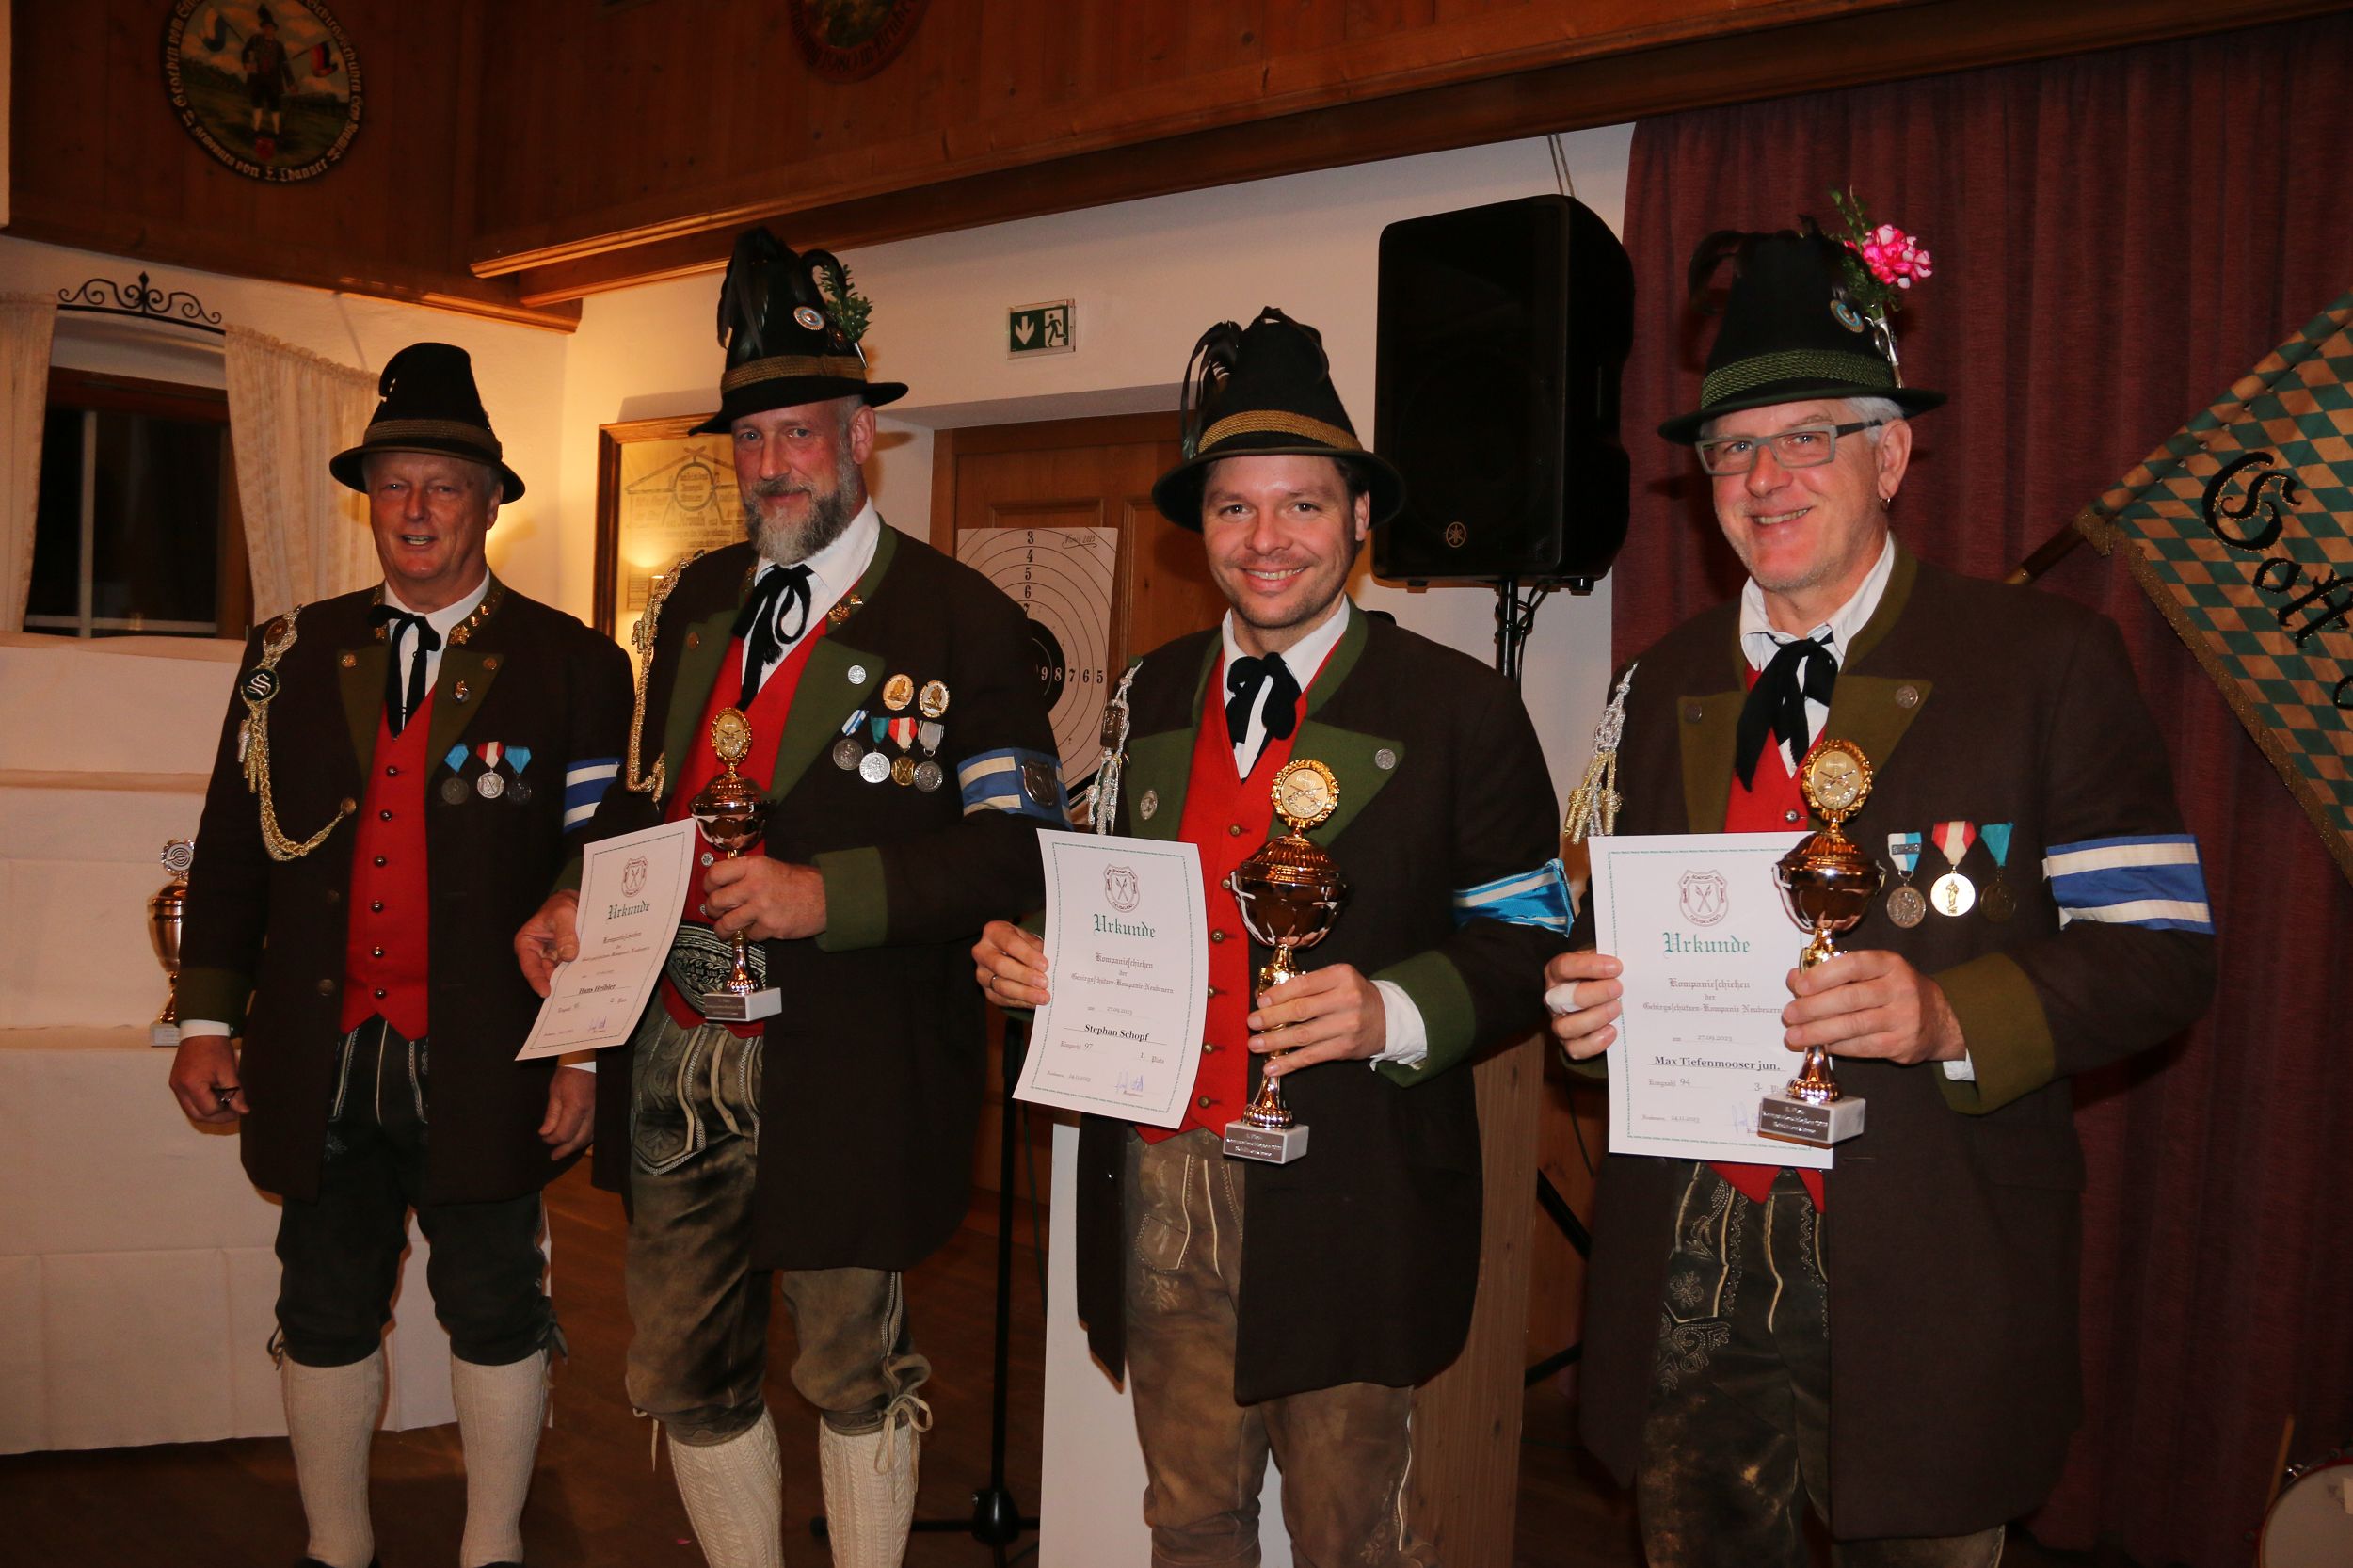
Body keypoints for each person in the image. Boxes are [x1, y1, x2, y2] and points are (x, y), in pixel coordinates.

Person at [1544, 223, 2217, 1563]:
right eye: (1733, 447)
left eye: (1810, 438)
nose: (1765, 477)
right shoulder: (1659, 680)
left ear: (1891, 457)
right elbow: (1594, 935)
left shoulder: (2043, 661)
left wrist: (1949, 1014)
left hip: (1925, 1257)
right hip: (1688, 1249)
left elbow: (2161, 951)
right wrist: (1580, 999)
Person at [971, 308, 1568, 1566]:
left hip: (1351, 1197)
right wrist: (1034, 948)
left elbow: (1528, 944)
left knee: (1349, 1536)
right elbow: (1113, 888)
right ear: (1202, 528)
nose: (1267, 538)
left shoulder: (1458, 708)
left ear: (1361, 517)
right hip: (1160, 1180)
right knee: (1187, 1522)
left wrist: (1388, 1010)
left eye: (1303, 504)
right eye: (1235, 508)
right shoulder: (1150, 691)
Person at [514, 230, 1060, 1568]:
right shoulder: (696, 601)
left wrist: (829, 896)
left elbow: (1021, 852)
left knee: (850, 1366)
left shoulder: (961, 619)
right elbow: (652, 798)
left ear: (861, 436)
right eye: (751, 439)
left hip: (852, 1062)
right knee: (680, 1367)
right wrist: (577, 894)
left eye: (799, 433)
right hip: (677, 1050)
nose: (771, 464)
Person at [168, 342, 634, 1568]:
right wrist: (206, 1018)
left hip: (489, 1052)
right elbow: (232, 842)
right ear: (368, 501)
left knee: (494, 1301)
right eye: (394, 485)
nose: (416, 509)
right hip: (317, 1047)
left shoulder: (576, 664)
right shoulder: (287, 653)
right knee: (321, 1301)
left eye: (443, 485)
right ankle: (336, 1546)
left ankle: (493, 1546)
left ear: (490, 503)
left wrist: (584, 1050)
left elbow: (605, 871)